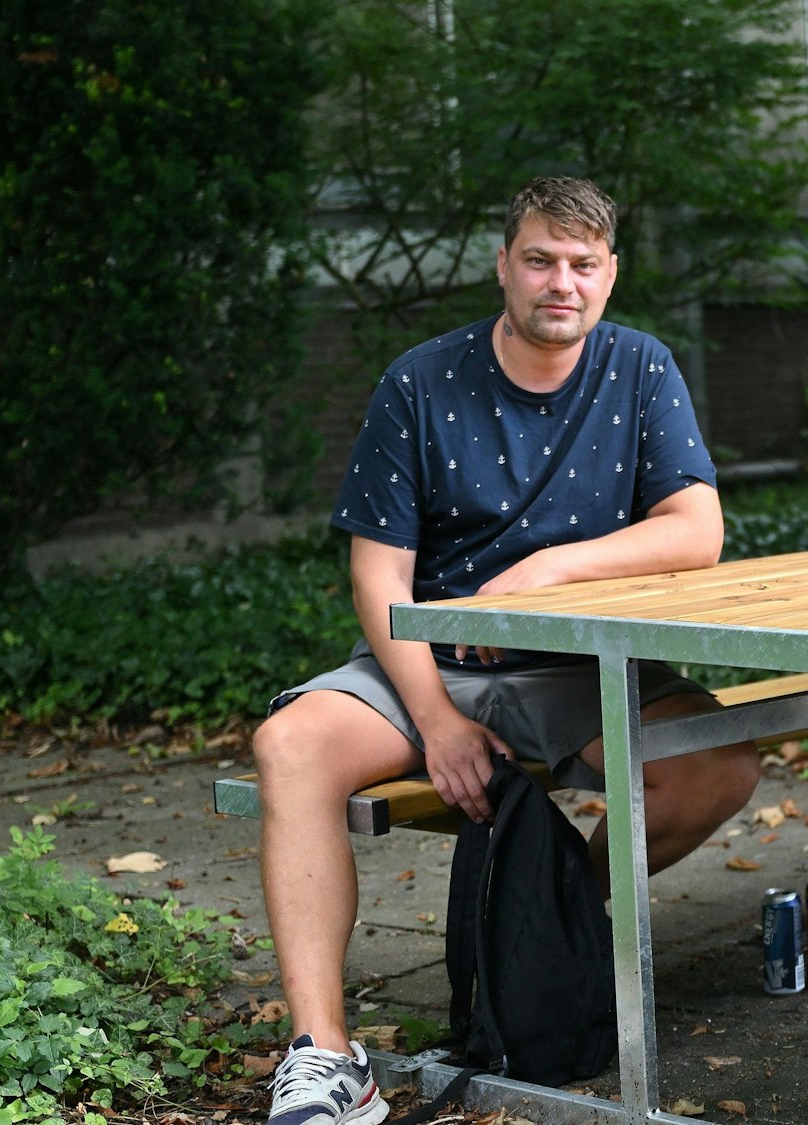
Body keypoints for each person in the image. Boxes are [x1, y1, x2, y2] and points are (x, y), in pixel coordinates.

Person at [253, 176, 760, 1125]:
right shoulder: (420, 381)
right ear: (504, 266)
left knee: (714, 769)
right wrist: (437, 720)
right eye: (539, 259)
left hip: (581, 665)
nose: (559, 282)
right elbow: (379, 576)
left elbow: (696, 529)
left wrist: (554, 567)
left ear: (610, 275)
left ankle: (562, 939)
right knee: (291, 745)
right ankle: (326, 1059)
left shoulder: (641, 368)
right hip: (433, 664)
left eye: (581, 264)